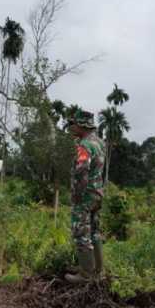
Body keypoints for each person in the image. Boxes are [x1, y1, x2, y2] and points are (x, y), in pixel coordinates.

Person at [65, 109, 106, 284]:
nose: (71, 127)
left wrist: (77, 195)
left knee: (81, 232)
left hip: (85, 195)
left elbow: (82, 171)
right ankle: (97, 270)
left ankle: (86, 275)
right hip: (97, 194)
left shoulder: (84, 145)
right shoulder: (99, 142)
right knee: (94, 232)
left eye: (73, 123)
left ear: (81, 125)